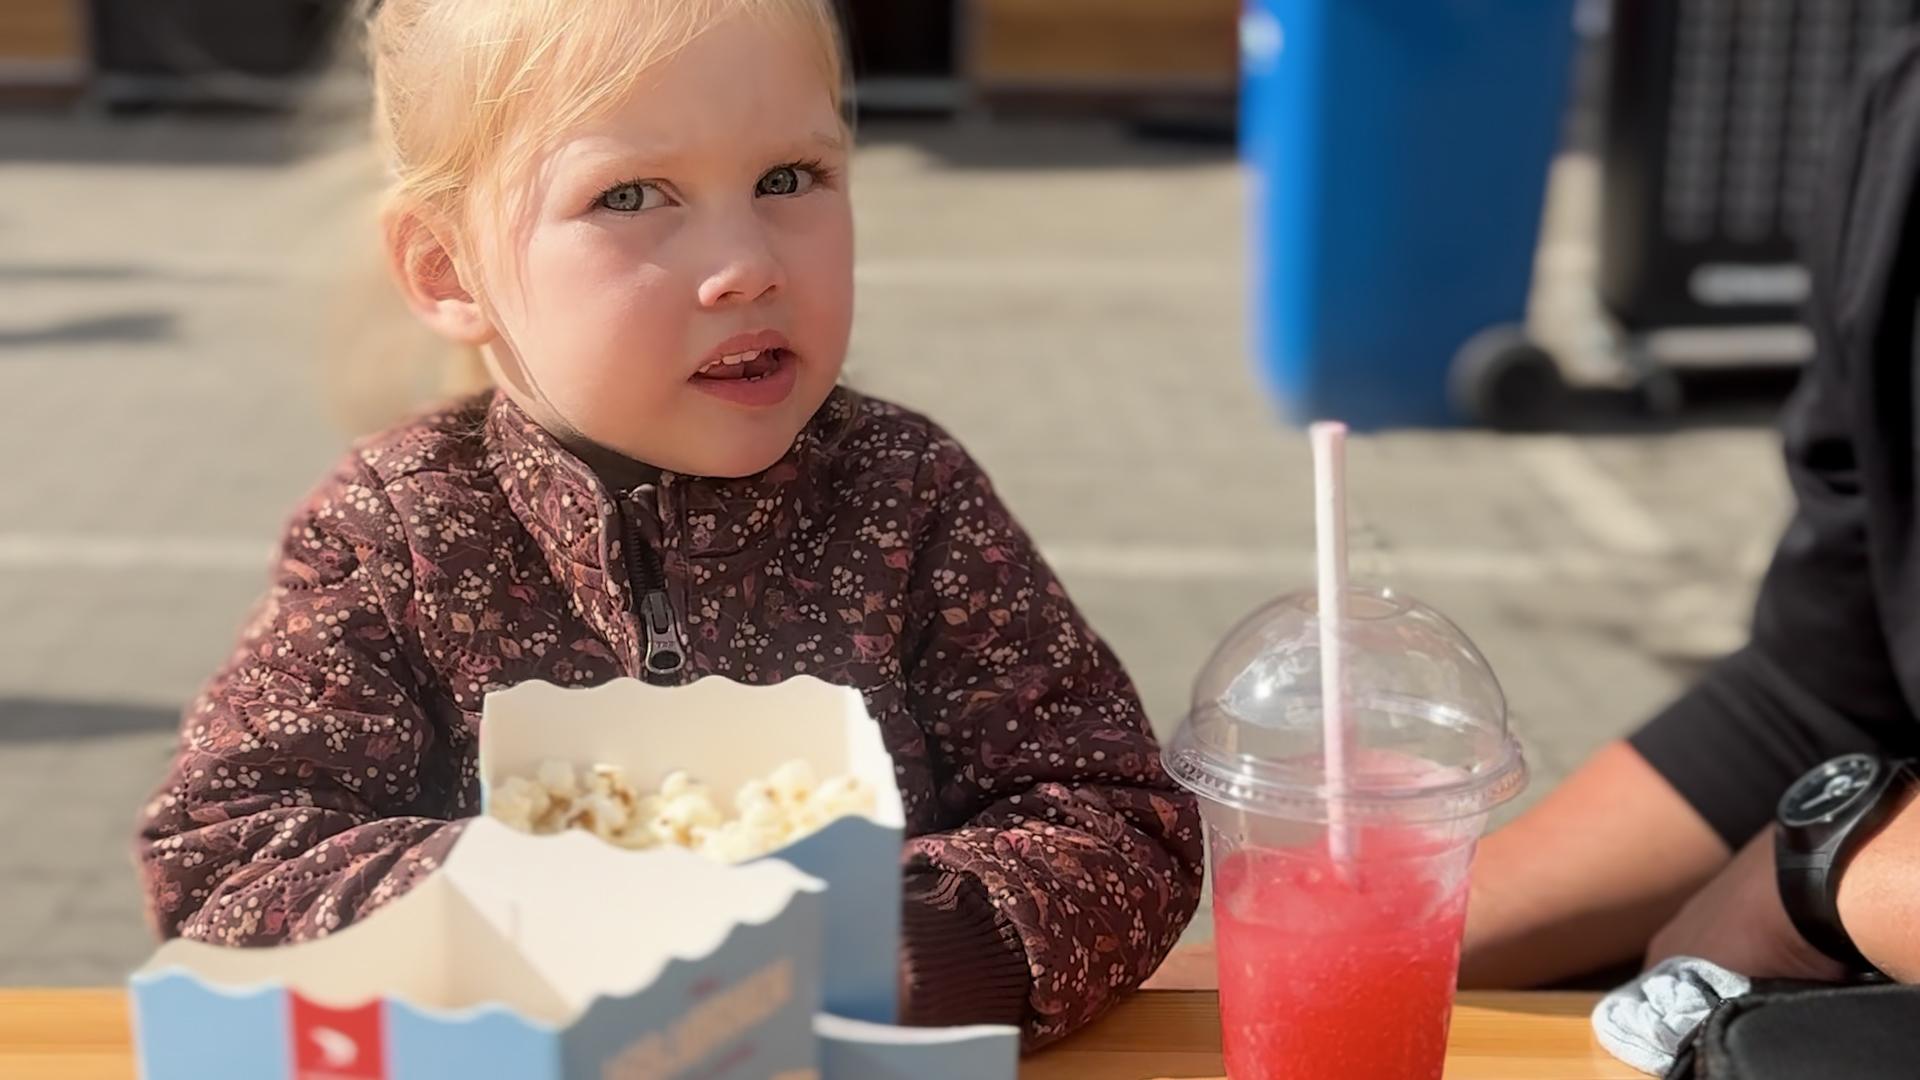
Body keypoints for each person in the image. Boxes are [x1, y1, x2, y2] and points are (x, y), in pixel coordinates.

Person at [133, 0, 1202, 1047]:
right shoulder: (395, 530)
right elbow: (230, 865)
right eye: (634, 194)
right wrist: (531, 910)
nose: (750, 265)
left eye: (790, 179)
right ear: (446, 269)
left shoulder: (907, 496)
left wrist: (913, 950)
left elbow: (1115, 820)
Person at [1460, 38, 1920, 990]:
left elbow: (1813, 851)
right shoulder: (1903, 129)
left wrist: (1828, 871)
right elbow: (1823, 700)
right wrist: (1390, 937)